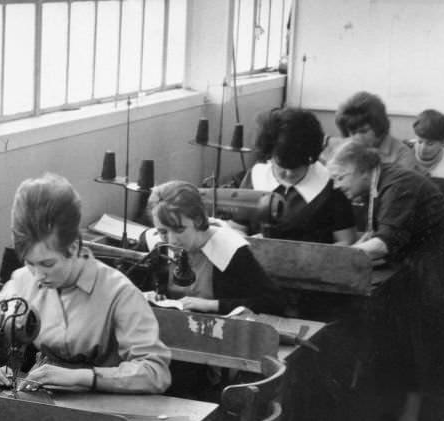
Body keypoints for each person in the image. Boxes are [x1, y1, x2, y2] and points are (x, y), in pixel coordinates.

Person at [327, 139, 444, 421]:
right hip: (425, 260)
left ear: (360, 169)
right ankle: (409, 415)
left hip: (439, 265)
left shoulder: (399, 184)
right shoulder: (384, 180)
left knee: (416, 337)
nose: (337, 186)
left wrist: (331, 262)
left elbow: (384, 242)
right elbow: (378, 234)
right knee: (404, 336)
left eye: (340, 177)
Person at [0, 172, 172, 394]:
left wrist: (81, 377)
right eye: (30, 263)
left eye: (48, 264)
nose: (38, 275)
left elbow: (156, 373)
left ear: (74, 248)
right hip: (42, 396)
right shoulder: (22, 281)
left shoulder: (119, 293)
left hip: (104, 403)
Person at [144, 180, 286, 316]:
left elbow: (274, 302)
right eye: (163, 232)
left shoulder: (230, 249)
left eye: (179, 230)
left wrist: (211, 305)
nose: (171, 241)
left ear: (198, 220)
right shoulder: (154, 243)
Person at [241, 107, 357, 244]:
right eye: (282, 167)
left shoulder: (330, 185)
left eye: (297, 168)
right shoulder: (256, 177)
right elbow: (236, 227)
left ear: (310, 158)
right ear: (270, 154)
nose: (289, 174)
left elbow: (346, 241)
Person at [321, 91, 416, 171]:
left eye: (364, 131)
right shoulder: (343, 148)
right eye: (353, 133)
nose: (357, 138)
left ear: (379, 126)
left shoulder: (403, 156)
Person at [408, 108, 444, 178]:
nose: (423, 148)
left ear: (443, 143)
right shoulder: (402, 149)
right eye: (420, 141)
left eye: (430, 144)